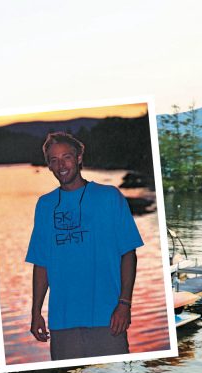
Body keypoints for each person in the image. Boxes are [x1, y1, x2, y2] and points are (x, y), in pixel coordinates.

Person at [26, 132, 144, 360]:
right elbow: (41, 263)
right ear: (48, 165)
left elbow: (128, 254)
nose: (61, 165)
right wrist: (36, 313)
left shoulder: (109, 197)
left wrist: (124, 304)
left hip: (108, 319)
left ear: (79, 157)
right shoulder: (45, 205)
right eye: (53, 160)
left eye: (66, 157)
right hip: (62, 322)